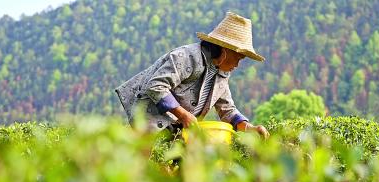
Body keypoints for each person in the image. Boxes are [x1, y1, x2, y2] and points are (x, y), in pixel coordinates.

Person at [115, 12, 269, 139]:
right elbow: (156, 86)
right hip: (149, 125)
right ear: (225, 51)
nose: (238, 64)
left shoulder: (221, 73)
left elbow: (227, 109)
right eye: (238, 58)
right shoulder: (186, 57)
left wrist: (250, 128)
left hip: (177, 133)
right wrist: (183, 115)